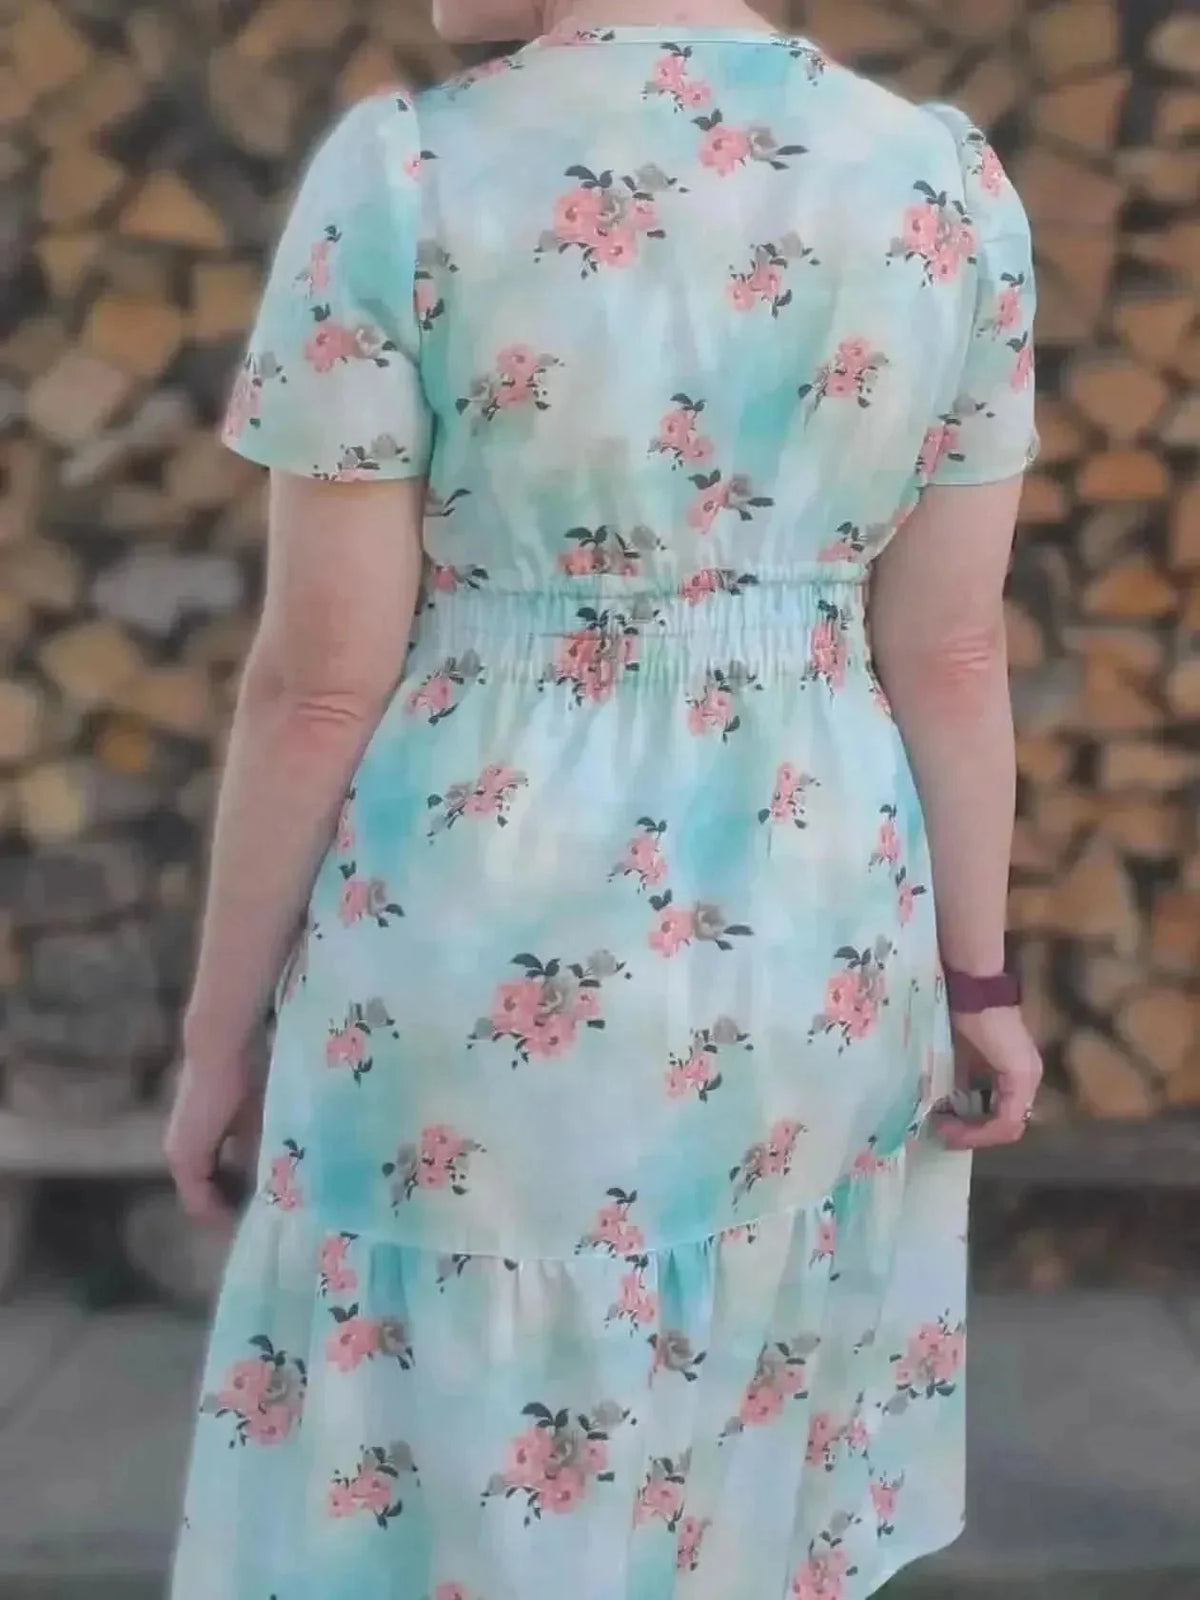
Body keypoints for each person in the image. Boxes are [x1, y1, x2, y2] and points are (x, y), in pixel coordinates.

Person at [167, 1, 1044, 1595]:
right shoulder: (942, 188)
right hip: (812, 944)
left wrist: (219, 1032)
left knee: (460, 1500)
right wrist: (977, 977)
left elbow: (317, 686)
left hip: (479, 947)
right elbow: (959, 653)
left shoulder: (410, 173)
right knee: (729, 1482)